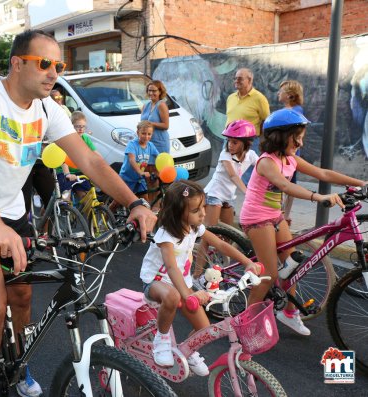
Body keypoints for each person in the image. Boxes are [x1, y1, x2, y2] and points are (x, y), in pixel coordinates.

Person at [0, 29, 156, 397]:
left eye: (59, 65)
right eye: (44, 64)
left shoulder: (47, 108)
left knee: (22, 297)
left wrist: (134, 202)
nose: (54, 72)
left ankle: (19, 364)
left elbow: (89, 159)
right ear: (17, 63)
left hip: (10, 209)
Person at [240, 109, 367, 335]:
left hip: (274, 216)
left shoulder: (290, 159)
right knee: (269, 273)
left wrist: (362, 183)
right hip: (256, 218)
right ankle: (245, 322)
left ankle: (288, 312)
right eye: (296, 137)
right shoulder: (267, 162)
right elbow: (286, 186)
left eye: (301, 137)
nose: (300, 142)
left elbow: (324, 173)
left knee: (292, 266)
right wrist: (318, 197)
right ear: (280, 136)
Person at [140, 180, 259, 370]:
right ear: (178, 213)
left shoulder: (194, 227)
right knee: (173, 295)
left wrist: (248, 262)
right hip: (156, 282)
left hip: (183, 285)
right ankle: (161, 340)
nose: (203, 213)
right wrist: (189, 294)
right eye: (196, 210)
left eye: (203, 206)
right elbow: (171, 268)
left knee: (205, 329)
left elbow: (220, 244)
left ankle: (188, 350)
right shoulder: (166, 235)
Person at [192, 120, 258, 285]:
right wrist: (249, 192)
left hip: (228, 198)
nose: (230, 145)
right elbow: (233, 176)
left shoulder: (250, 155)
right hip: (213, 195)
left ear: (246, 144)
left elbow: (263, 166)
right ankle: (196, 276)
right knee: (209, 235)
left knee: (227, 238)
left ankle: (218, 271)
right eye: (229, 141)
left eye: (235, 142)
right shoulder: (225, 155)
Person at [225, 68, 270, 185]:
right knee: (226, 169)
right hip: (228, 139)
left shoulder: (259, 98)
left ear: (249, 80)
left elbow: (266, 120)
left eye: (239, 78)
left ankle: (250, 195)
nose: (236, 81)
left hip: (248, 141)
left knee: (249, 173)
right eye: (235, 78)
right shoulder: (231, 98)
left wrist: (264, 140)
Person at [277, 80, 304, 224]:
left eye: (281, 91)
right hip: (286, 154)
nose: (278, 93)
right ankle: (284, 214)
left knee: (286, 183)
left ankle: (284, 214)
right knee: (288, 183)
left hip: (288, 154)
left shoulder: (294, 112)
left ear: (290, 95)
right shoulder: (291, 111)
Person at [56, 111, 98, 200]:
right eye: (78, 126)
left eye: (83, 127)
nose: (81, 129)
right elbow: (63, 159)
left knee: (85, 196)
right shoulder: (67, 139)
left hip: (79, 171)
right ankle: (60, 211)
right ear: (71, 126)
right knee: (66, 196)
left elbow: (95, 154)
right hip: (65, 172)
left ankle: (79, 213)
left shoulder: (85, 138)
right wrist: (67, 174)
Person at [117, 120, 159, 204]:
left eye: (149, 134)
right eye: (143, 133)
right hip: (127, 178)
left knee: (146, 203)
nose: (146, 136)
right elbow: (132, 160)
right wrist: (140, 172)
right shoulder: (132, 144)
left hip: (140, 179)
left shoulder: (150, 146)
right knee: (117, 202)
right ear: (138, 132)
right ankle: (106, 216)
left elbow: (159, 157)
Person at [141, 80, 169, 154]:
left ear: (160, 92)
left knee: (159, 165)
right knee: (147, 165)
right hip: (147, 143)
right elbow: (142, 124)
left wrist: (150, 123)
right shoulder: (145, 105)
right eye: (149, 90)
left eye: (154, 91)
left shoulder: (161, 105)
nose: (151, 93)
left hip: (159, 143)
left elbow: (166, 125)